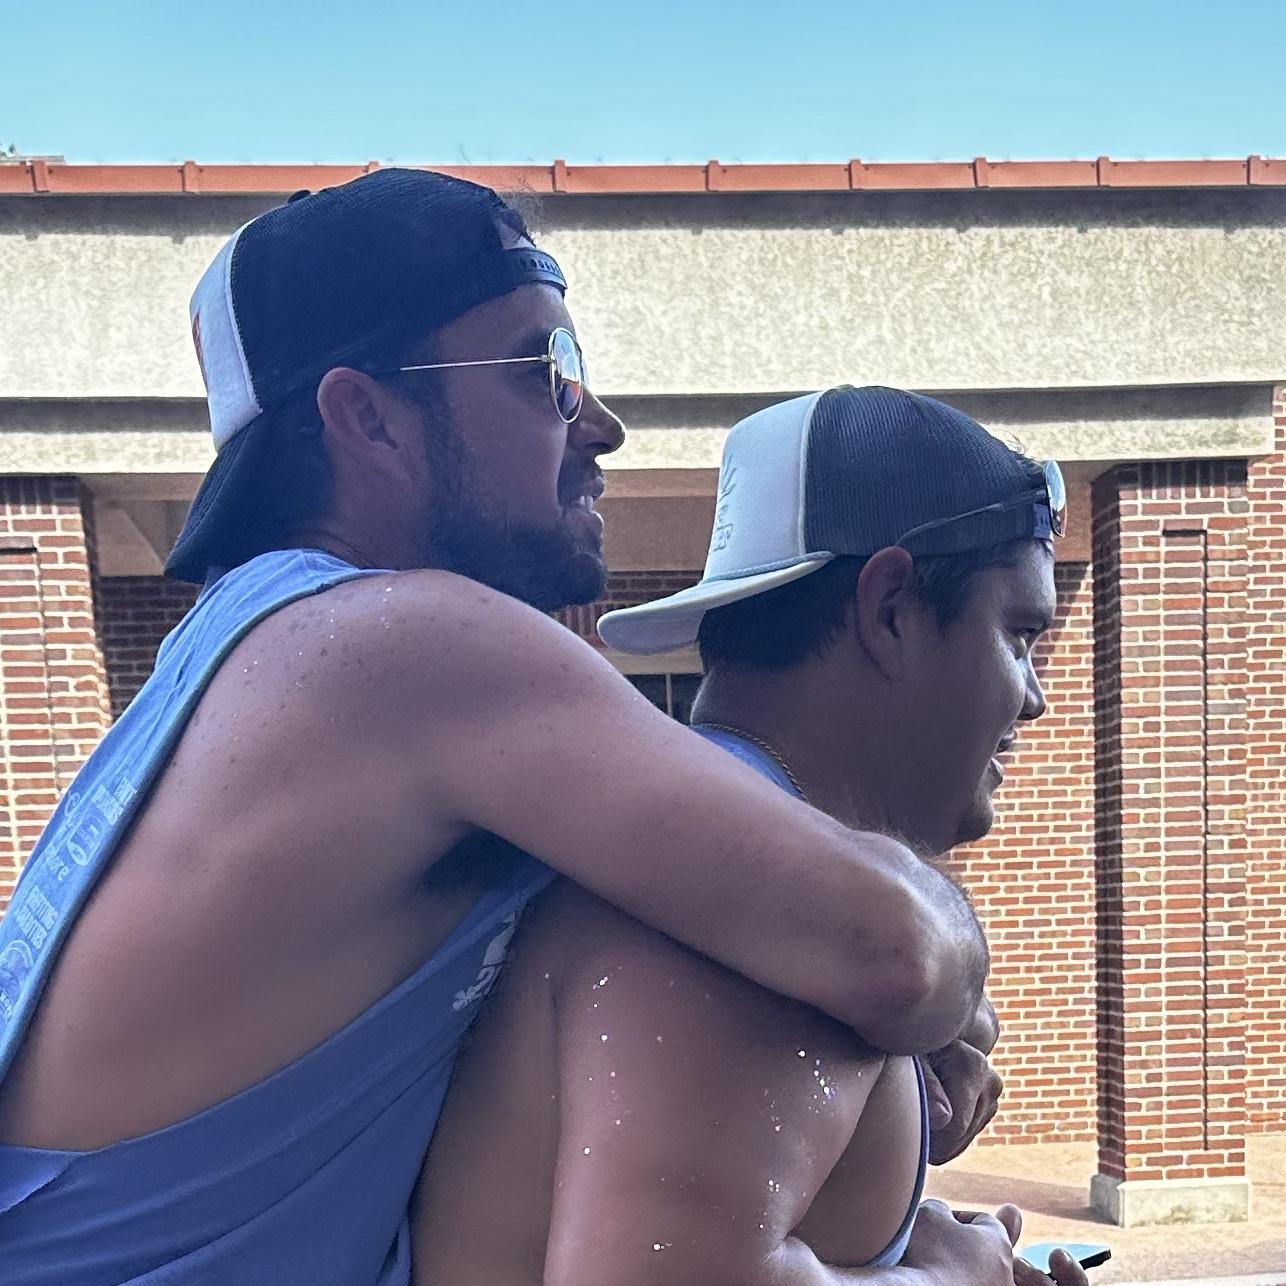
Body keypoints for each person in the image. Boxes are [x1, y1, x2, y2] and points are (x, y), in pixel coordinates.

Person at [0, 173, 991, 1283]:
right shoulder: (404, 645)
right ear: (367, 418)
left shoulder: (243, 653)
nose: (600, 424)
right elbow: (891, 951)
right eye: (545, 371)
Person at [411, 387, 1088, 1286]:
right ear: (891, 608)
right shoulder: (756, 936)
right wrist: (951, 1280)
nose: (1033, 697)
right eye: (1019, 634)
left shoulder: (729, 882)